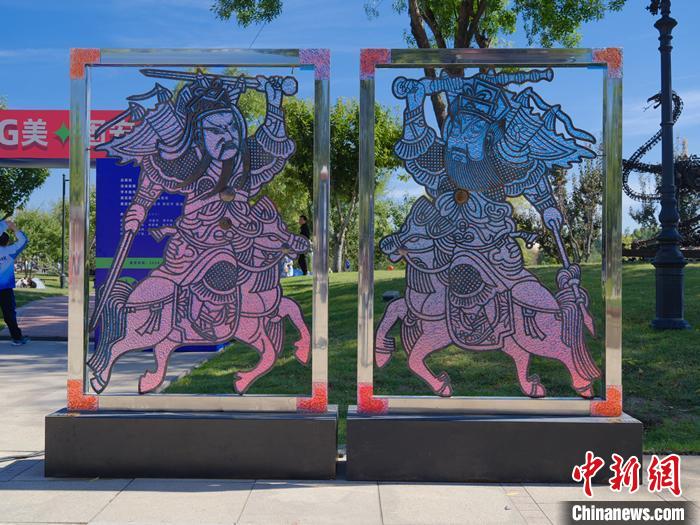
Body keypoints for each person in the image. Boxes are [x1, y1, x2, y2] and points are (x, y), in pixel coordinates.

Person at [0, 220, 30, 345]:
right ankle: (17, 338)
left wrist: (3, 225)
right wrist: (14, 227)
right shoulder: (10, 251)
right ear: (7, 242)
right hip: (5, 289)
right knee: (9, 314)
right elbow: (24, 241)